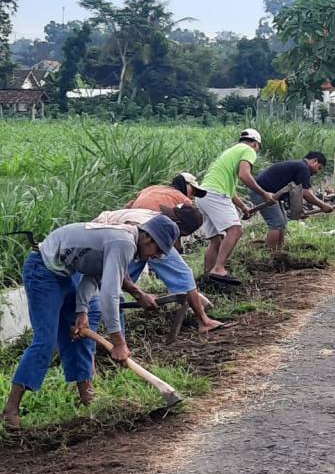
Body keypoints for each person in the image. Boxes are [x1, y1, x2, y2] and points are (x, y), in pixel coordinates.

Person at [1, 215, 180, 430]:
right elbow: (110, 295)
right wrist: (119, 342)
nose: (157, 255)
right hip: (43, 269)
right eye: (158, 250)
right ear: (148, 239)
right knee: (46, 341)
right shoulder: (124, 242)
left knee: (81, 329)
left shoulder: (126, 242)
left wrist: (81, 311)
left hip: (68, 272)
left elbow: (93, 276)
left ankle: (87, 397)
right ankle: (10, 410)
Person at [91, 204, 230, 334]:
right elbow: (183, 275)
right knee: (109, 293)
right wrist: (203, 317)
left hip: (98, 234)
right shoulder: (154, 236)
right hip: (103, 242)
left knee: (108, 289)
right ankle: (114, 342)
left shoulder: (156, 221)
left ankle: (111, 338)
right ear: (181, 229)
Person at [120, 174, 224, 333]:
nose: (193, 195)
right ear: (185, 185)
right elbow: (172, 233)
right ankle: (204, 320)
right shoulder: (184, 201)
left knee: (120, 278)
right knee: (183, 274)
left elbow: (128, 205)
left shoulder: (152, 189)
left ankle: (112, 328)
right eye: (193, 191)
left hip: (124, 229)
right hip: (149, 233)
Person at [196, 128, 276, 285]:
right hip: (216, 195)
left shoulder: (230, 152)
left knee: (216, 240)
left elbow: (230, 191)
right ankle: (219, 269)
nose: (257, 151)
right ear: (255, 143)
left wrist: (243, 207)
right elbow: (244, 175)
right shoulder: (248, 150)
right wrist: (264, 194)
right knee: (236, 230)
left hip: (203, 196)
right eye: (258, 148)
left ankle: (208, 278)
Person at [250, 151, 335, 251]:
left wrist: (298, 210)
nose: (317, 172)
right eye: (319, 168)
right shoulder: (303, 168)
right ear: (315, 161)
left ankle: (278, 251)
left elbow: (294, 192)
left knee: (282, 223)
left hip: (272, 195)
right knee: (276, 223)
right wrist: (323, 205)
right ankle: (271, 254)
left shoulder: (299, 167)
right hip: (262, 193)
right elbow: (305, 193)